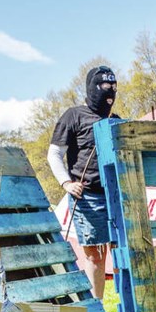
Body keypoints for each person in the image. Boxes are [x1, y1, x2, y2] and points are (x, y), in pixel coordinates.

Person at [48, 66, 119, 299]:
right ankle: (97, 311)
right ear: (92, 87)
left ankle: (126, 305)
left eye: (113, 87)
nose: (110, 91)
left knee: (122, 252)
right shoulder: (74, 115)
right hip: (89, 197)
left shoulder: (115, 121)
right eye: (105, 86)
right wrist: (66, 183)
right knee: (95, 255)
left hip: (117, 194)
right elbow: (54, 153)